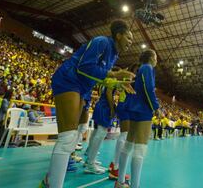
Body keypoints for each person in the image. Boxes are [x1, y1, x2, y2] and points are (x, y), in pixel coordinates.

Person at [39, 20, 135, 188]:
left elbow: (100, 77)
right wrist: (113, 74)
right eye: (128, 37)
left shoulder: (114, 54)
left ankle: (50, 180)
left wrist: (117, 82)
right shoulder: (101, 42)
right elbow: (85, 67)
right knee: (67, 137)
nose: (131, 41)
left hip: (82, 88)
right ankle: (52, 183)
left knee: (73, 135)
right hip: (69, 79)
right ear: (118, 35)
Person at [115, 49, 159, 188]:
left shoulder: (141, 69)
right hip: (143, 110)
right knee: (139, 149)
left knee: (128, 144)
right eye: (156, 56)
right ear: (151, 58)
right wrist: (155, 106)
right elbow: (148, 88)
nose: (157, 59)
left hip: (134, 108)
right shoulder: (147, 68)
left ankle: (120, 181)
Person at [109, 63, 139, 180]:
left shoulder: (131, 80)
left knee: (124, 136)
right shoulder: (129, 80)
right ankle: (116, 168)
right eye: (136, 70)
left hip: (126, 107)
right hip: (125, 107)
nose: (137, 73)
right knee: (124, 136)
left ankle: (114, 164)